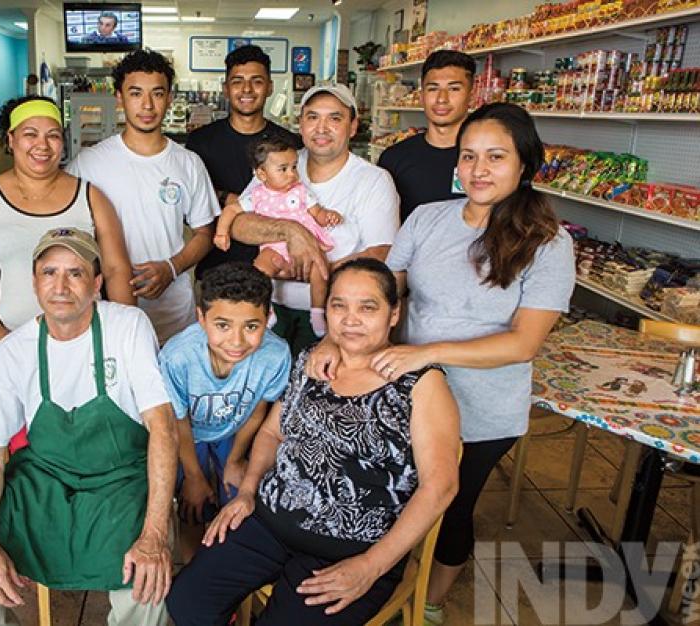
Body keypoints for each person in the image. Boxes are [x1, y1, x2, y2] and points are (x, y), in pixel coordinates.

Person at [308, 103, 577, 625]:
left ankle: (428, 600)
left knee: (450, 506)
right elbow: (384, 291)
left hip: (482, 408)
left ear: (525, 164)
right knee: (396, 495)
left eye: (495, 157)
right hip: (407, 395)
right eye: (469, 156)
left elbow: (522, 343)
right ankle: (381, 574)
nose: (479, 169)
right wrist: (335, 335)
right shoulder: (428, 217)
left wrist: (425, 352)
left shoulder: (548, 243)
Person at [166, 259, 460, 625]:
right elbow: (273, 432)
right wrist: (247, 490)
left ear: (394, 313)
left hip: (351, 550)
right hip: (269, 523)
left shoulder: (420, 384)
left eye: (367, 307)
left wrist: (371, 566)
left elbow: (441, 486)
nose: (350, 319)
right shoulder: (312, 362)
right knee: (187, 601)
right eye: (339, 306)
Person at [0, 227, 177, 626]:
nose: (61, 286)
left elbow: (162, 428)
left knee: (145, 583)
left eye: (75, 273)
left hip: (120, 484)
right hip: (41, 484)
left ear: (96, 284)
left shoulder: (128, 327)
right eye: (49, 272)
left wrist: (154, 534)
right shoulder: (13, 351)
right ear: (34, 282)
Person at [0, 95, 134, 351]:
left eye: (53, 135)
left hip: (86, 342)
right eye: (30, 134)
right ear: (11, 140)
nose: (42, 145)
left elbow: (115, 270)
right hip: (12, 342)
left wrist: (124, 333)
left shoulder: (91, 197)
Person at [230, 83, 400, 355]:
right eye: (312, 117)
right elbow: (239, 224)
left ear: (353, 126)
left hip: (334, 315)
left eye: (335, 118)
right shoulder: (281, 161)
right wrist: (292, 231)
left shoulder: (373, 180)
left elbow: (380, 252)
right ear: (301, 124)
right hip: (272, 308)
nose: (321, 128)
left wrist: (315, 270)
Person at [68, 50, 219, 343]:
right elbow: (46, 199)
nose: (147, 105)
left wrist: (171, 268)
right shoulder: (89, 163)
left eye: (157, 94)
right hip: (108, 314)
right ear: (119, 98)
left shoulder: (188, 163)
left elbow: (204, 232)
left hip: (175, 318)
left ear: (169, 98)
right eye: (136, 93)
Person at [159, 263, 290, 532]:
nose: (237, 341)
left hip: (235, 432)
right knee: (192, 506)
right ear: (201, 318)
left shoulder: (276, 355)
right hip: (187, 436)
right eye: (223, 325)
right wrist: (194, 476)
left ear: (269, 317)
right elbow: (177, 422)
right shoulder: (177, 357)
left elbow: (257, 411)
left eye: (252, 326)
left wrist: (235, 459)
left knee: (238, 501)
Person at [186, 45, 301, 280]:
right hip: (216, 270)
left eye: (257, 81)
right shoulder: (201, 142)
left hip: (279, 276)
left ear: (269, 88)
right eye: (237, 81)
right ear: (226, 89)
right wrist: (225, 197)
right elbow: (189, 203)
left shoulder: (291, 143)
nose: (247, 89)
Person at [215, 134, 342, 337]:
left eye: (294, 167)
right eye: (283, 169)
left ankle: (317, 312)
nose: (291, 174)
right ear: (262, 174)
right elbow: (231, 210)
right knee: (260, 271)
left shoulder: (301, 191)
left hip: (307, 246)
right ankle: (266, 309)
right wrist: (221, 233)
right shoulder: (256, 195)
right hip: (274, 248)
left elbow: (317, 213)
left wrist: (328, 216)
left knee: (320, 271)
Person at [378, 50, 475, 223]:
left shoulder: (487, 161)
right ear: (422, 96)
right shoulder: (393, 159)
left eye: (454, 88)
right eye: (433, 88)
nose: (442, 99)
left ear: (472, 95)